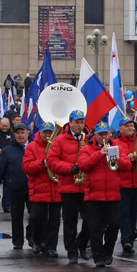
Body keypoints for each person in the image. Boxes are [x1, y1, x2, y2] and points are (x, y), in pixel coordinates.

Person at [78, 121, 130, 267]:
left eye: (105, 134)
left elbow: (127, 166)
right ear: (95, 135)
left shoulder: (117, 148)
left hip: (113, 195)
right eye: (100, 134)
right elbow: (83, 166)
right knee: (94, 228)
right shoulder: (87, 149)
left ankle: (108, 251)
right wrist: (99, 154)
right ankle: (98, 256)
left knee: (114, 225)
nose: (103, 137)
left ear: (109, 134)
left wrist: (116, 156)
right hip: (93, 196)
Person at [47, 110, 88, 261]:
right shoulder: (59, 140)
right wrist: (69, 168)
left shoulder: (87, 138)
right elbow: (52, 161)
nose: (80, 125)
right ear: (70, 123)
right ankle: (71, 251)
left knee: (90, 220)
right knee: (70, 222)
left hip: (85, 187)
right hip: (68, 186)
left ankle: (81, 245)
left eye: (82, 122)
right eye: (77, 122)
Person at [21, 121, 61, 255]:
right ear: (41, 132)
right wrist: (43, 163)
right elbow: (27, 167)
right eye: (46, 132)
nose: (48, 135)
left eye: (50, 132)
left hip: (55, 188)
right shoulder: (32, 147)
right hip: (38, 189)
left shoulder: (58, 145)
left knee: (54, 221)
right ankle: (38, 241)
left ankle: (51, 246)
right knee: (37, 218)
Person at [0, 122, 31, 251]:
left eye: (22, 133)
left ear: (27, 134)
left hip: (34, 189)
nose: (20, 136)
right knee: (17, 217)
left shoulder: (33, 147)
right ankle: (18, 242)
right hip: (15, 188)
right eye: (18, 133)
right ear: (14, 135)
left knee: (35, 216)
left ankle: (32, 238)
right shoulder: (8, 150)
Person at [115, 117, 137, 255]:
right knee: (124, 213)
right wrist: (126, 158)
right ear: (121, 128)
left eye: (131, 125)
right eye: (127, 125)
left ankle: (129, 237)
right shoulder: (116, 143)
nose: (130, 127)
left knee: (132, 212)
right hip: (122, 184)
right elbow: (115, 162)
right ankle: (127, 240)